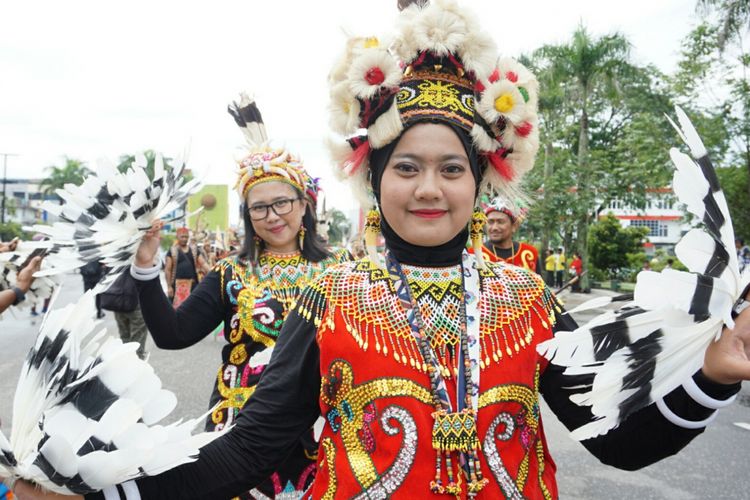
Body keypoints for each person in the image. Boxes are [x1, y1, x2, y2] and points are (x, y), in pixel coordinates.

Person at [14, 2, 750, 499]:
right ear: (375, 179)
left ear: (482, 181)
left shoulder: (529, 299)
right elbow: (250, 448)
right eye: (407, 167)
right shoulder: (329, 297)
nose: (429, 188)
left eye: (451, 168)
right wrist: (95, 479)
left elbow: (614, 443)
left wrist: (715, 375)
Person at [130, 94, 348, 498]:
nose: (273, 216)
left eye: (282, 202)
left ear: (304, 205)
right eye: (259, 208)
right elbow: (172, 335)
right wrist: (145, 267)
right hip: (240, 431)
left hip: (324, 431)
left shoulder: (343, 269)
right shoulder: (231, 272)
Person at [478, 196, 540, 273]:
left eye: (500, 222)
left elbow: (539, 284)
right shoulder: (474, 254)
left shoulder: (530, 253)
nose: (494, 228)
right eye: (490, 222)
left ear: (514, 226)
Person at [99, 272, 149, 359]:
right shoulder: (141, 260)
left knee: (124, 336)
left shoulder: (116, 259)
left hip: (118, 299)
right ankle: (136, 362)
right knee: (137, 339)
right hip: (135, 302)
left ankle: (126, 360)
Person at [164, 227, 210, 308]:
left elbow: (203, 263)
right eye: (182, 237)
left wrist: (212, 271)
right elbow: (167, 270)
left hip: (193, 285)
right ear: (177, 237)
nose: (184, 239)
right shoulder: (172, 251)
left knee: (194, 308)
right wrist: (169, 287)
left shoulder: (194, 250)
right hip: (176, 287)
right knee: (176, 310)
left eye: (186, 237)